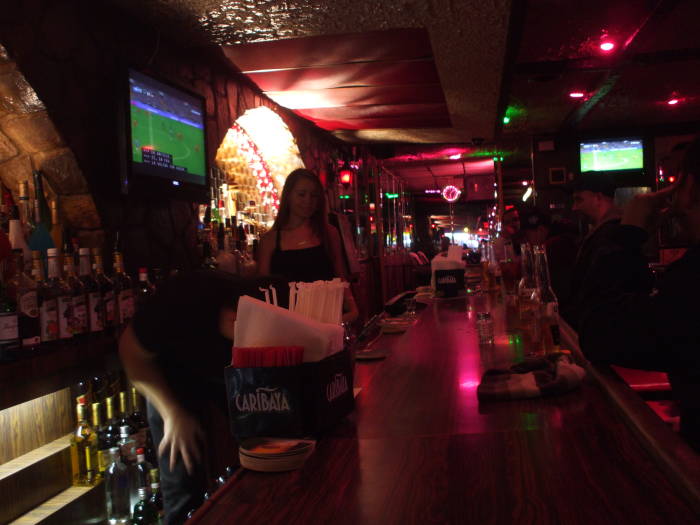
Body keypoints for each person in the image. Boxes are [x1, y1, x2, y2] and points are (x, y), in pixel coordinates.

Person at [119, 271, 288, 524]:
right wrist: (172, 413)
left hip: (225, 371)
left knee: (264, 449)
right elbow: (130, 352)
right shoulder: (180, 301)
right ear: (232, 318)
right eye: (246, 336)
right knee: (181, 473)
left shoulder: (271, 308)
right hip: (168, 375)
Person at [576, 137, 700, 451]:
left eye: (679, 179)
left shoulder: (691, 278)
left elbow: (599, 332)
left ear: (692, 189)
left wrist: (629, 234)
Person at [258, 169, 358, 322]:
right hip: (288, 322)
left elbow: (340, 277)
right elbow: (263, 288)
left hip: (325, 319)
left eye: (314, 196)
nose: (308, 201)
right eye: (301, 194)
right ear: (288, 196)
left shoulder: (329, 233)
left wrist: (352, 307)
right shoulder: (269, 240)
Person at [561, 174, 651, 329]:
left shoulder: (611, 236)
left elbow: (599, 296)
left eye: (579, 200)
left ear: (598, 198)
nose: (574, 207)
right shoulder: (610, 232)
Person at [520, 209, 578, 308]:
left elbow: (551, 291)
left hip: (567, 311)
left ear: (541, 230)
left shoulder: (553, 247)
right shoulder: (562, 242)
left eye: (527, 234)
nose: (527, 240)